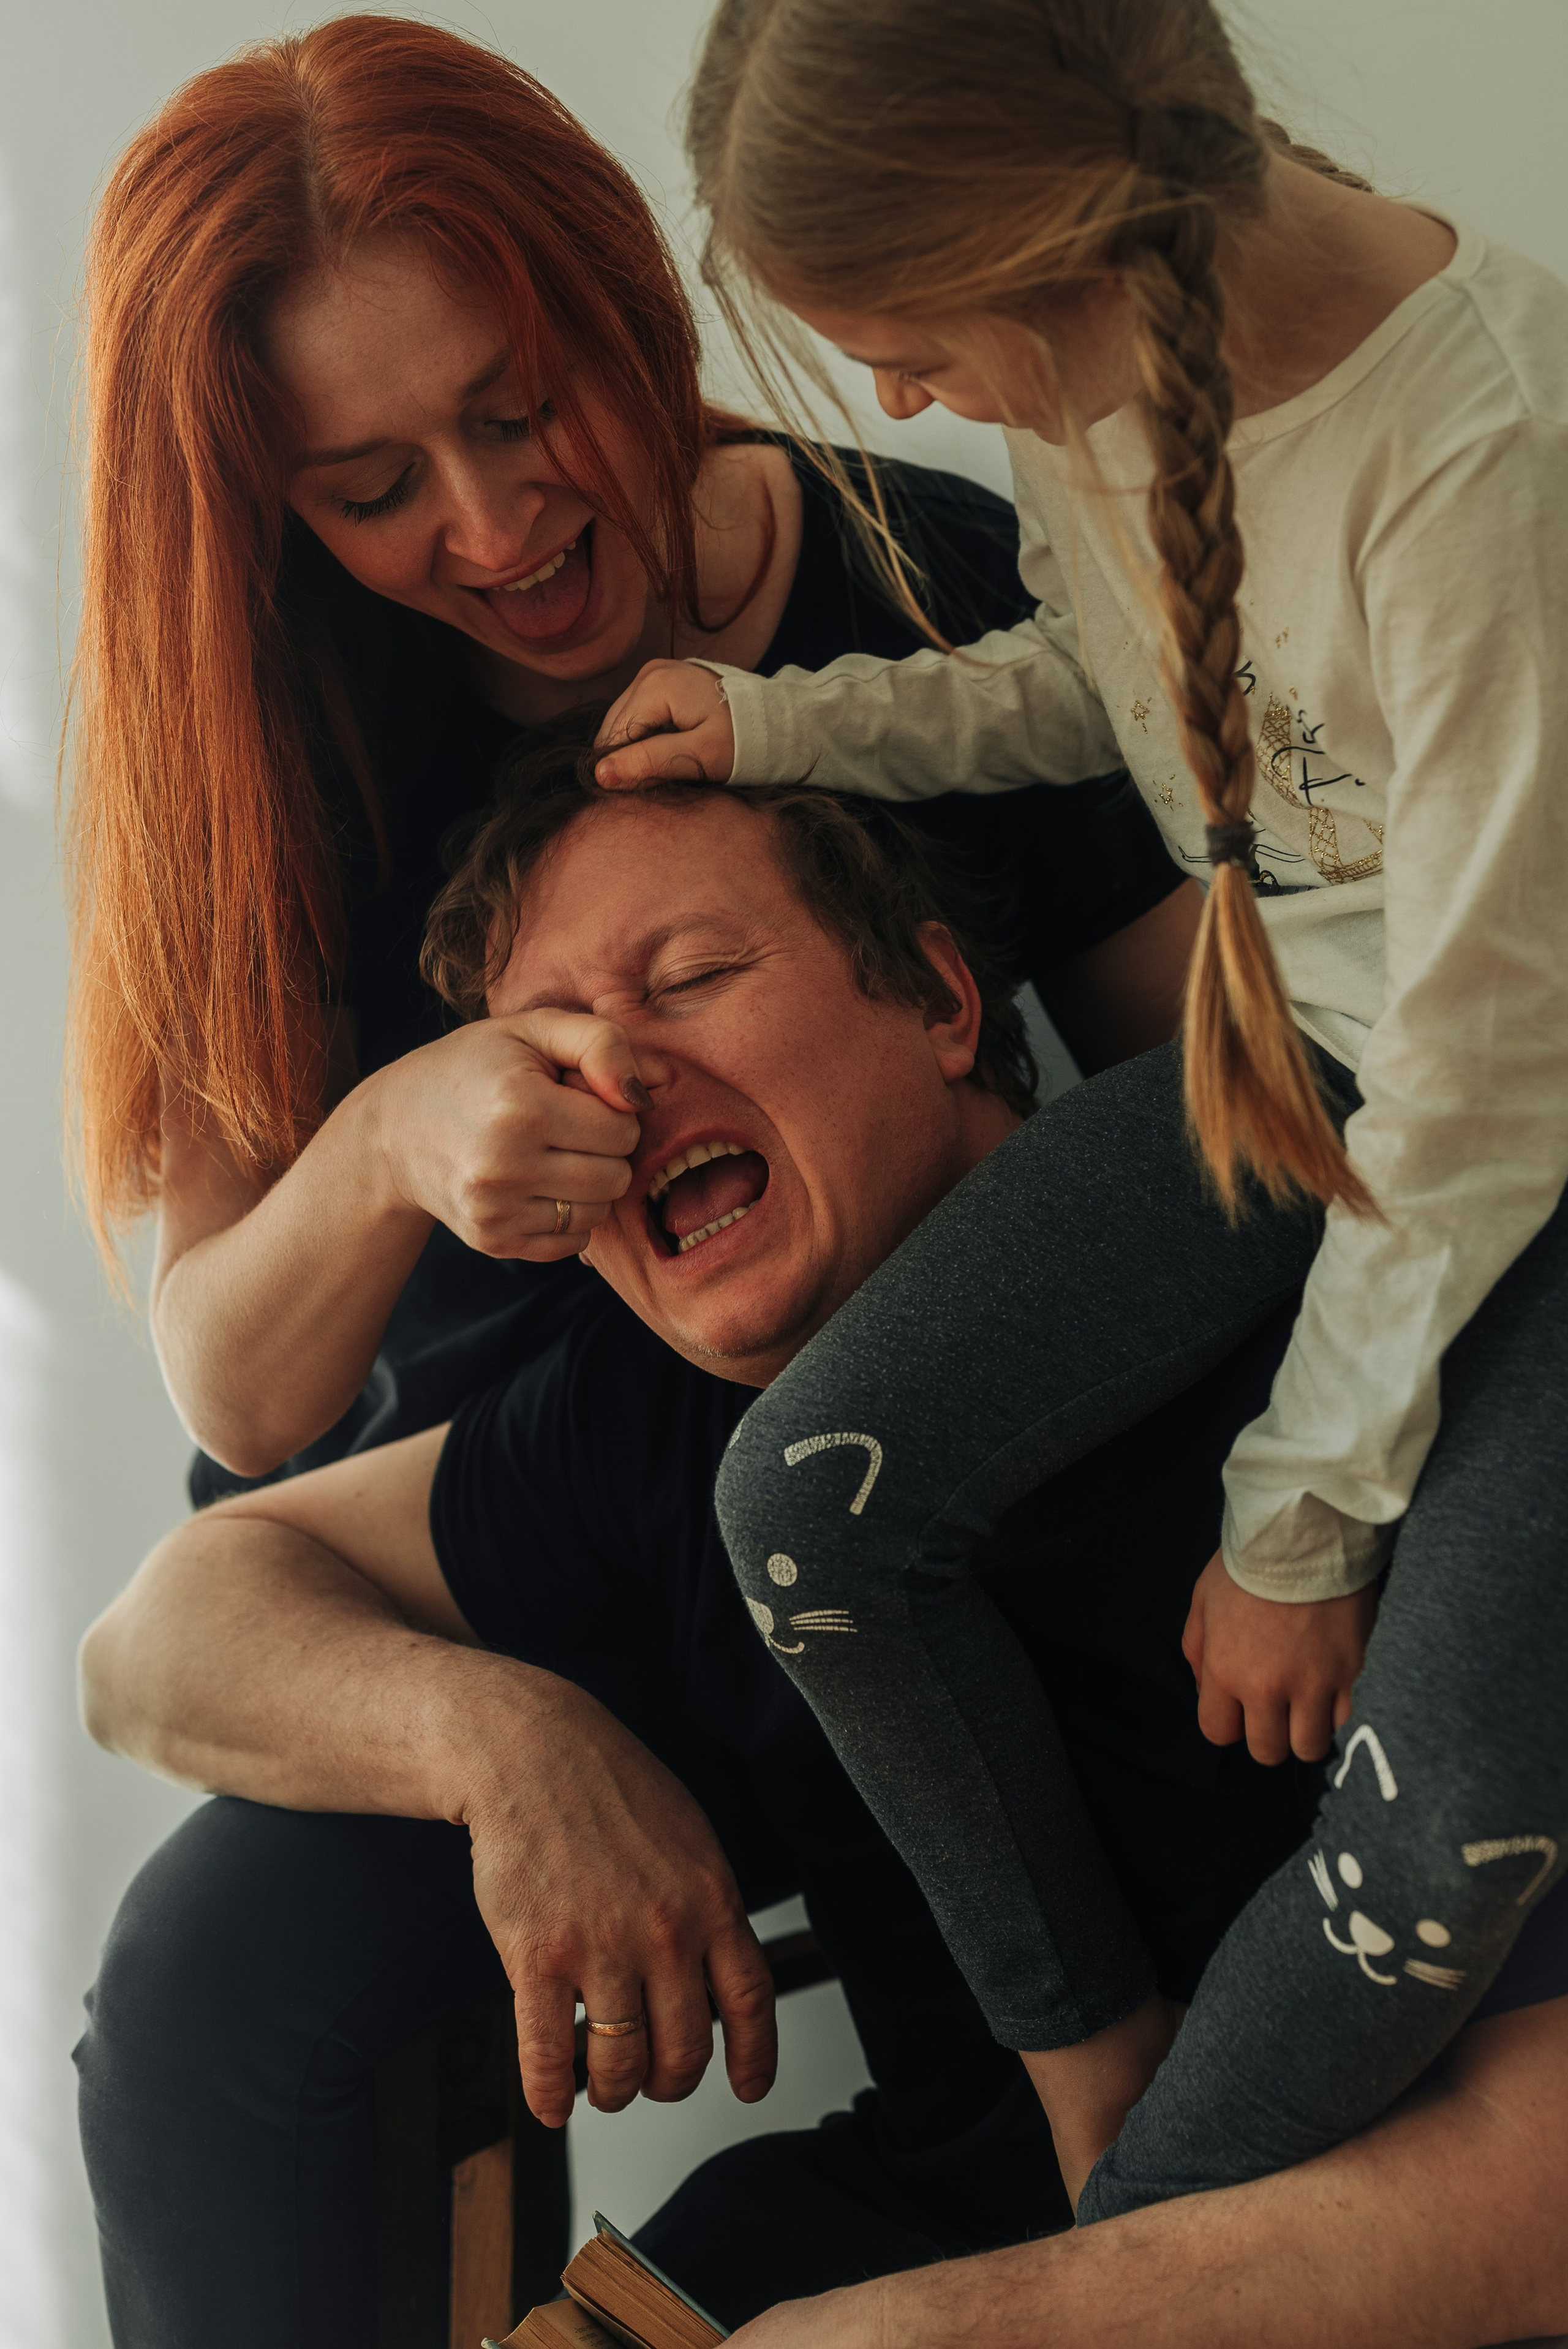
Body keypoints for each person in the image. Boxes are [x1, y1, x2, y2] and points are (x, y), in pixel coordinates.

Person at [78, 748, 1568, 2349]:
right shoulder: (649, 1414)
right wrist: (505, 1746)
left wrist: (975, 2327)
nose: (615, 1080)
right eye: (545, 1057)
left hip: (1356, 2251)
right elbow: (155, 1642)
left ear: (938, 994)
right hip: (932, 2228)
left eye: (693, 978)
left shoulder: (1325, 1343)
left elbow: (1536, 2182)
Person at [593, 0, 1568, 2219]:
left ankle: (1117, 2271)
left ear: (1066, 241)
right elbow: (1101, 677)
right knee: (808, 1509)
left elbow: (1491, 1074)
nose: (910, 410)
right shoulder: (1113, 369)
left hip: (1520, 1115)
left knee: (1443, 1838)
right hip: (1306, 1070)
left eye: (911, 354)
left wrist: (1299, 1515)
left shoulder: (1485, 449)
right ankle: (1094, 2112)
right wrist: (775, 733)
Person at [65, 10, 1194, 1510]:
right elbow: (236, 1396)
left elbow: (1206, 1124)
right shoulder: (279, 745)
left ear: (627, 304)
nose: (490, 528)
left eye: (519, 408)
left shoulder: (942, 595)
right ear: (284, 516)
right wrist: (392, 1133)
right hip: (435, 1549)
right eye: (376, 488)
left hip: (866, 1500)